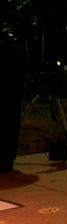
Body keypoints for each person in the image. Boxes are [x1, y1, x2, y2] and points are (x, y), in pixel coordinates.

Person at [0, 33, 26, 173]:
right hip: (12, 96)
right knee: (10, 127)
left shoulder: (9, 49)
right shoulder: (14, 49)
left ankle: (5, 161)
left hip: (9, 95)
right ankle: (6, 162)